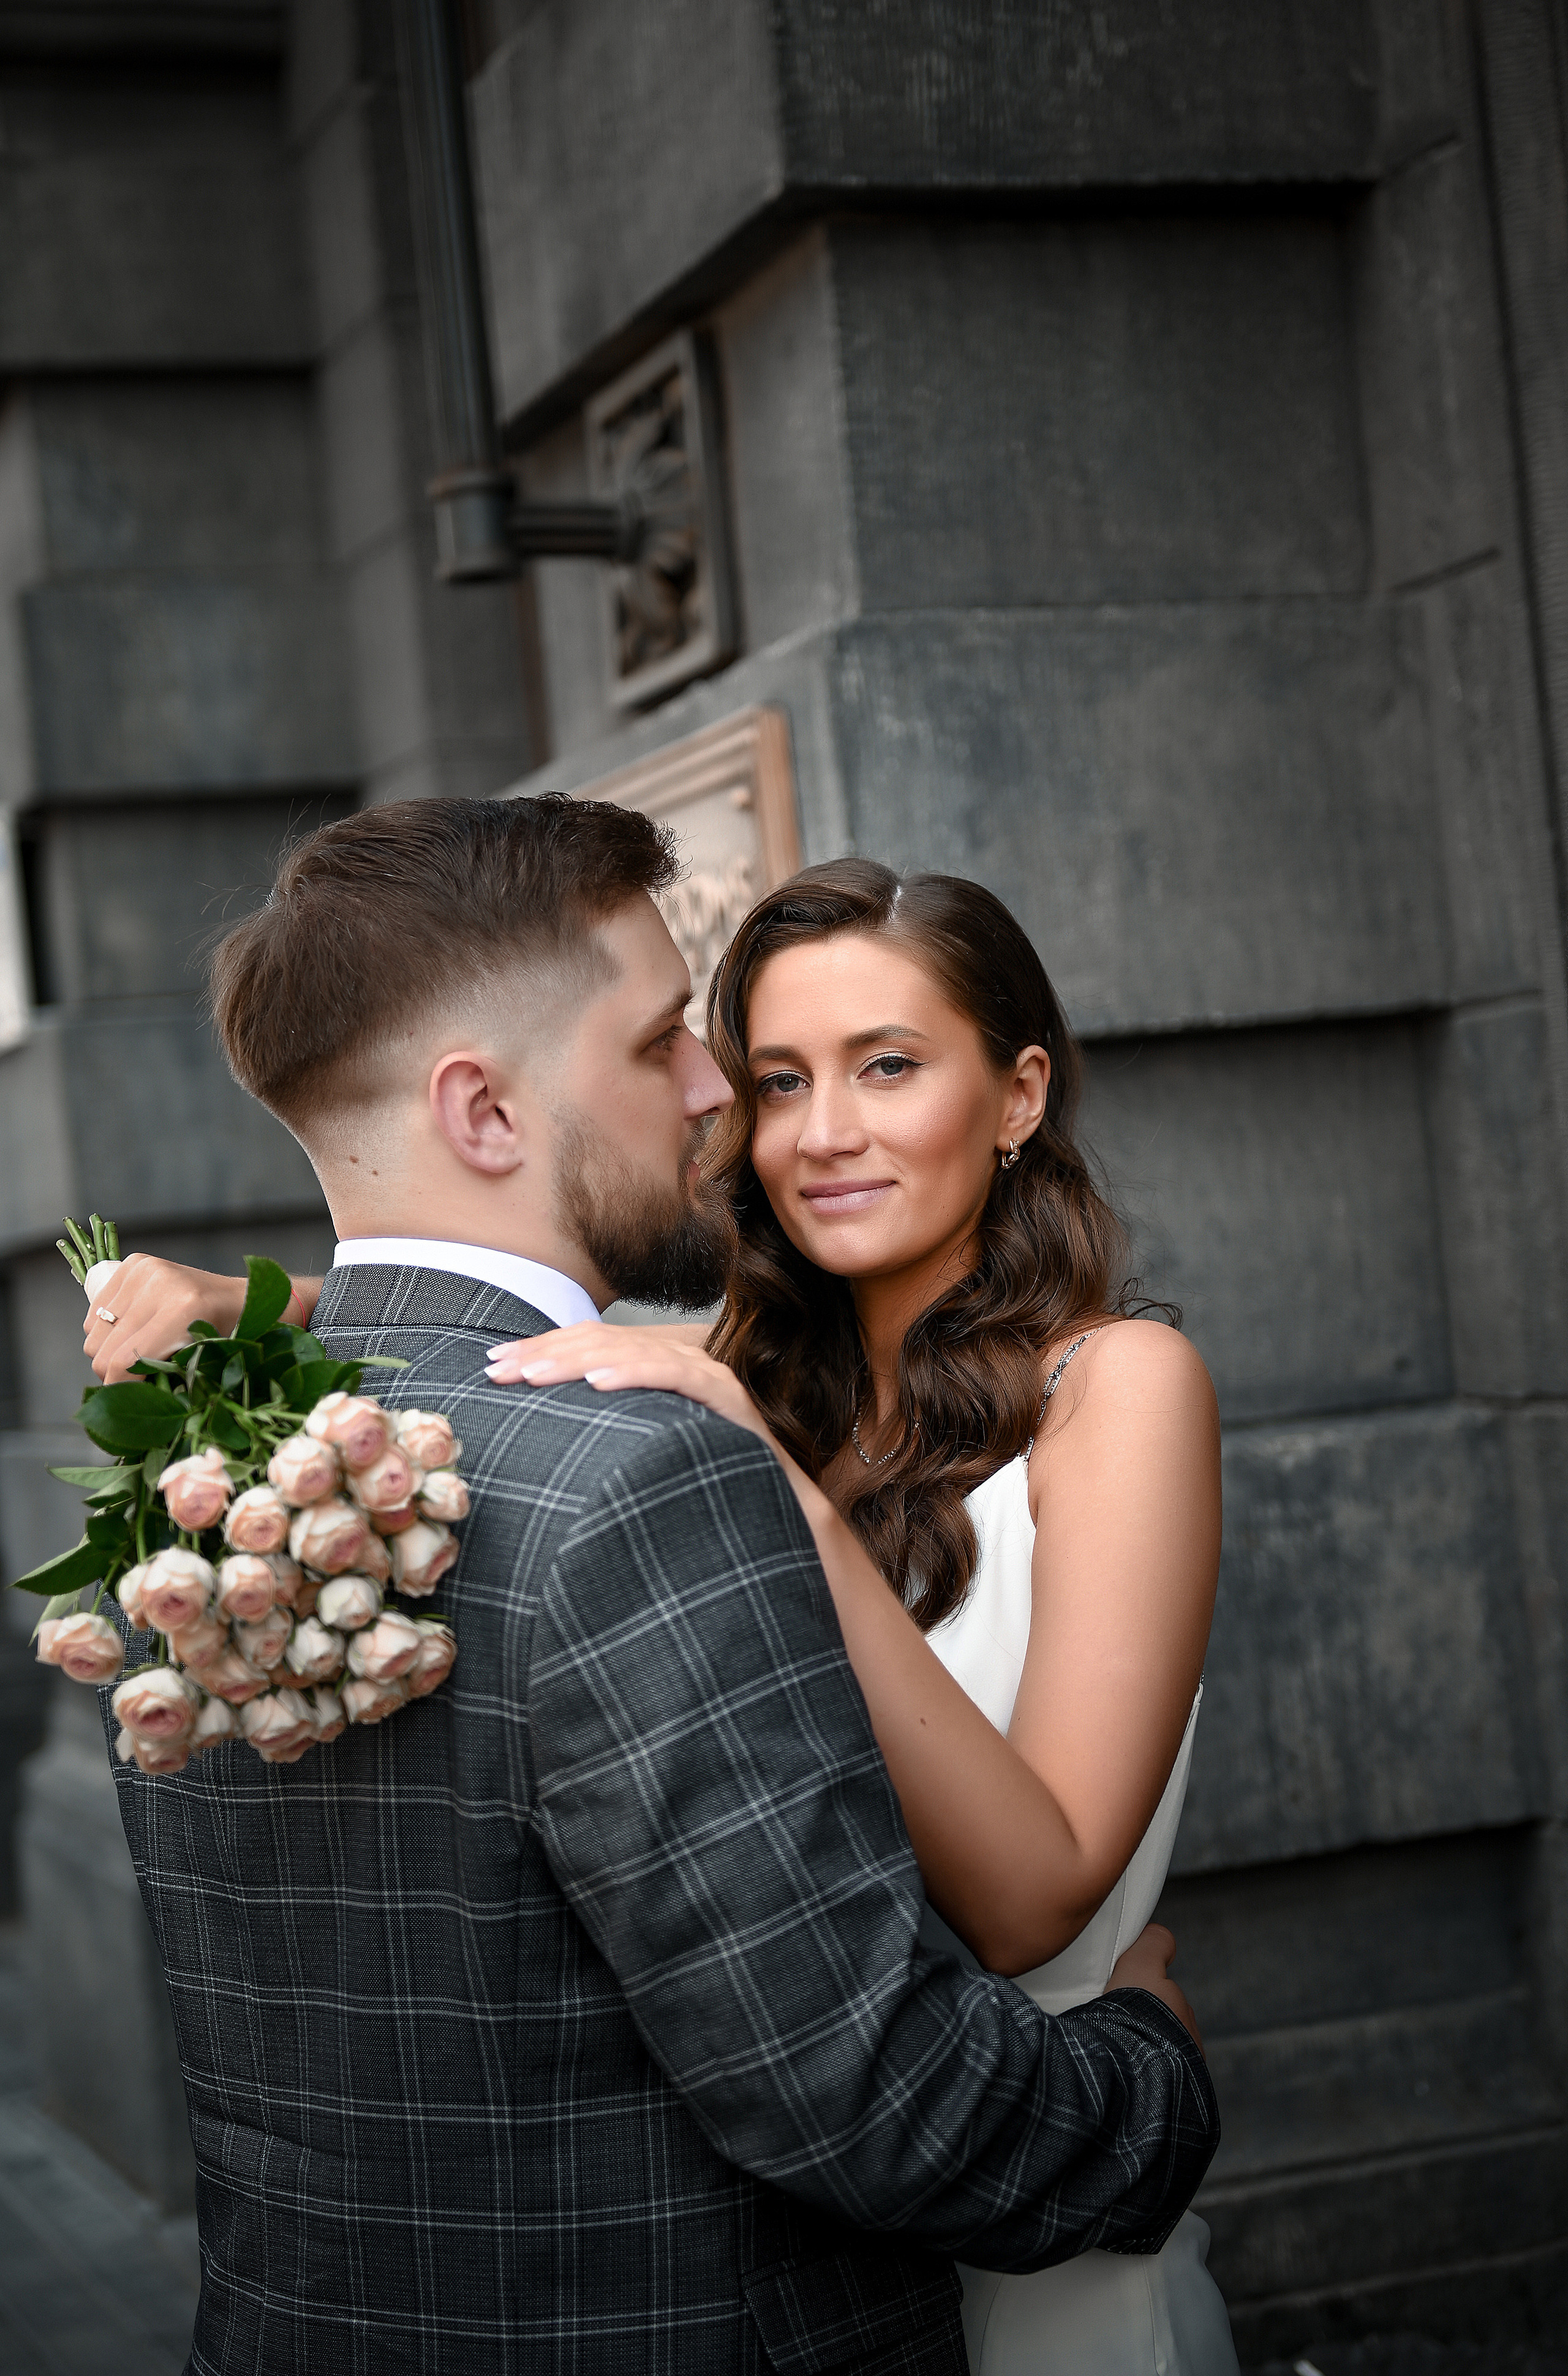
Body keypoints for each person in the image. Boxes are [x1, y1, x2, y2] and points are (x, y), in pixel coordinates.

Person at [88, 798, 1219, 2375]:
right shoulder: (706, 1401)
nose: (778, 1121)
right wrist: (1156, 2059)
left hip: (991, 2220)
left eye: (886, 1064)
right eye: (751, 1072)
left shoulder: (222, 1484)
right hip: (889, 2195)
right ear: (484, 1106)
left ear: (1017, 1091)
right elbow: (470, 1321)